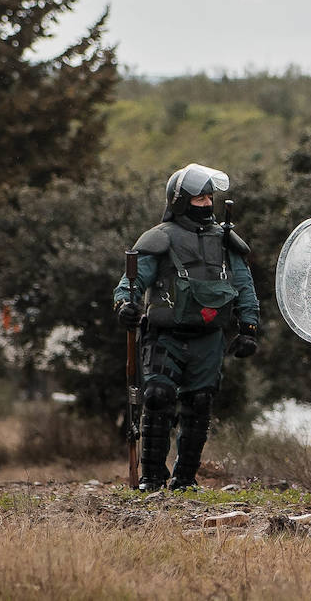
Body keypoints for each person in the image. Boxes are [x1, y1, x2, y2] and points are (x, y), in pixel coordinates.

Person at [113, 163, 259, 492]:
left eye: (210, 197)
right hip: (165, 335)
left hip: (209, 338)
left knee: (200, 404)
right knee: (157, 396)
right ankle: (151, 479)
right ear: (180, 201)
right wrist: (125, 304)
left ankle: (184, 480)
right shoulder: (159, 238)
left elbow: (244, 285)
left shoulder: (226, 241)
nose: (207, 204)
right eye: (199, 198)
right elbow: (132, 280)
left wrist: (248, 326)